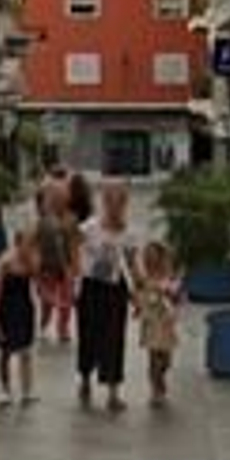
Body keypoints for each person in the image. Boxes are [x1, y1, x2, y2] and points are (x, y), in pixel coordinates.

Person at [76, 179, 137, 411]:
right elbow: (73, 248)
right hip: (91, 287)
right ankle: (85, 377)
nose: (115, 205)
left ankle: (113, 391)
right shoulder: (89, 227)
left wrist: (139, 291)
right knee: (88, 336)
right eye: (111, 200)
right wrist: (74, 275)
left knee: (114, 338)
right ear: (103, 201)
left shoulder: (129, 232)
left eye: (120, 200)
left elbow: (132, 264)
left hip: (115, 288)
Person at [0, 228, 40, 406]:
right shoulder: (6, 261)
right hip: (6, 308)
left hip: (24, 308)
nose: (29, 247)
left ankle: (27, 390)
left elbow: (38, 284)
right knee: (5, 351)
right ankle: (4, 391)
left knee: (26, 350)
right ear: (17, 243)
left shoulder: (32, 260)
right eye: (26, 243)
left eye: (31, 244)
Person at [133, 240, 183, 407]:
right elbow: (137, 296)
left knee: (166, 359)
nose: (151, 260)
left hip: (166, 323)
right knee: (153, 357)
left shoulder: (169, 277)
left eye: (154, 256)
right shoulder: (143, 278)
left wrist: (170, 294)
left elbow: (178, 298)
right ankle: (155, 390)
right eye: (148, 256)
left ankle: (160, 378)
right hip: (151, 322)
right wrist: (138, 306)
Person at [35, 176, 80, 344]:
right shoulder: (42, 221)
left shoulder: (71, 219)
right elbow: (36, 243)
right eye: (55, 197)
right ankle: (44, 324)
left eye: (63, 197)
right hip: (47, 266)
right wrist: (35, 264)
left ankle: (64, 328)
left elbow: (74, 244)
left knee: (66, 301)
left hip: (66, 266)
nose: (59, 201)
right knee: (46, 301)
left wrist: (76, 266)